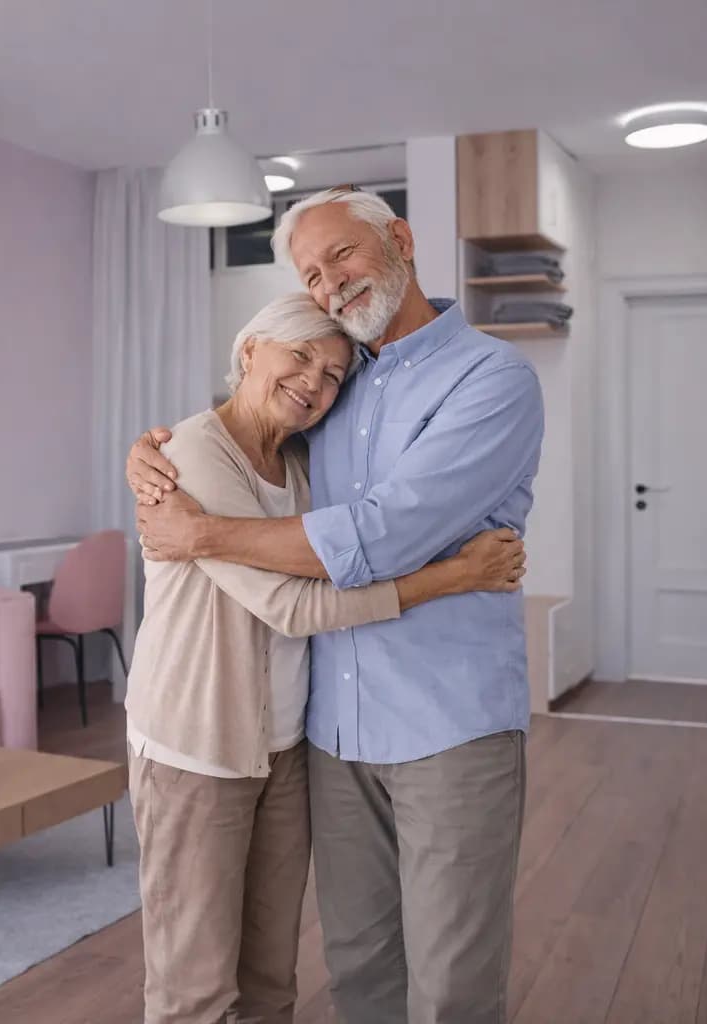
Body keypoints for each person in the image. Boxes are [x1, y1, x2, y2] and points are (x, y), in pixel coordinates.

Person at [127, 187, 545, 1024]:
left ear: (399, 238)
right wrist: (144, 449)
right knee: (358, 971)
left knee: (452, 983)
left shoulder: (492, 378)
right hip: (330, 733)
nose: (331, 286)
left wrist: (200, 533)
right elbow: (235, 439)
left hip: (447, 724)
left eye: (342, 256)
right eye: (312, 275)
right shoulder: (339, 385)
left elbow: (378, 537)